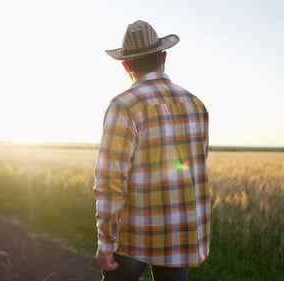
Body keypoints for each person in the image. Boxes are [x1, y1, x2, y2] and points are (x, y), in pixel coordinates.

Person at [93, 20, 210, 281]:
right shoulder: (196, 105)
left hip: (133, 238)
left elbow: (110, 179)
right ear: (164, 57)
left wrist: (106, 241)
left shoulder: (123, 106)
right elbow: (196, 169)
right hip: (181, 236)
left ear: (126, 65)